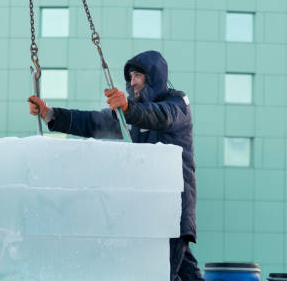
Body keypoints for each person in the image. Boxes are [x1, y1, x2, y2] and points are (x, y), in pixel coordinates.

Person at [28, 50, 204, 281]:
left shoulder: (177, 104)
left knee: (160, 274)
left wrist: (129, 109)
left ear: (153, 77)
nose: (132, 83)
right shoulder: (130, 116)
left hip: (172, 210)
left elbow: (160, 116)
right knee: (184, 274)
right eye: (130, 77)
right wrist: (51, 115)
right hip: (151, 211)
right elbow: (92, 122)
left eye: (137, 76)